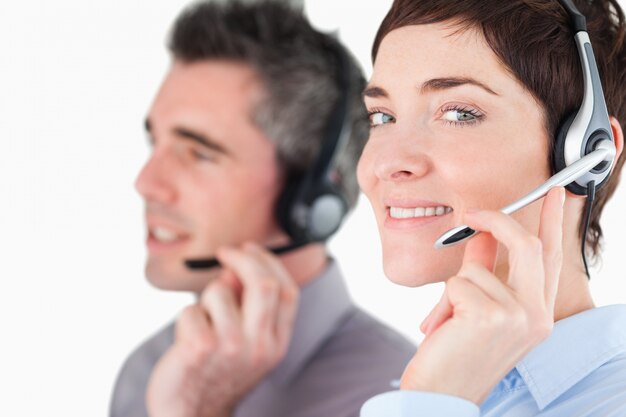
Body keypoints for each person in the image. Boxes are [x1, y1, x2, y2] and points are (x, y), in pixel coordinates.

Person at [109, 1, 416, 417]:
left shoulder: (398, 395)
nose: (145, 182)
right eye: (155, 143)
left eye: (199, 153)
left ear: (310, 196)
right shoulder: (148, 370)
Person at [356, 0, 626, 415]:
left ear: (588, 152)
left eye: (460, 113)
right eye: (381, 117)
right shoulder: (420, 383)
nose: (388, 163)